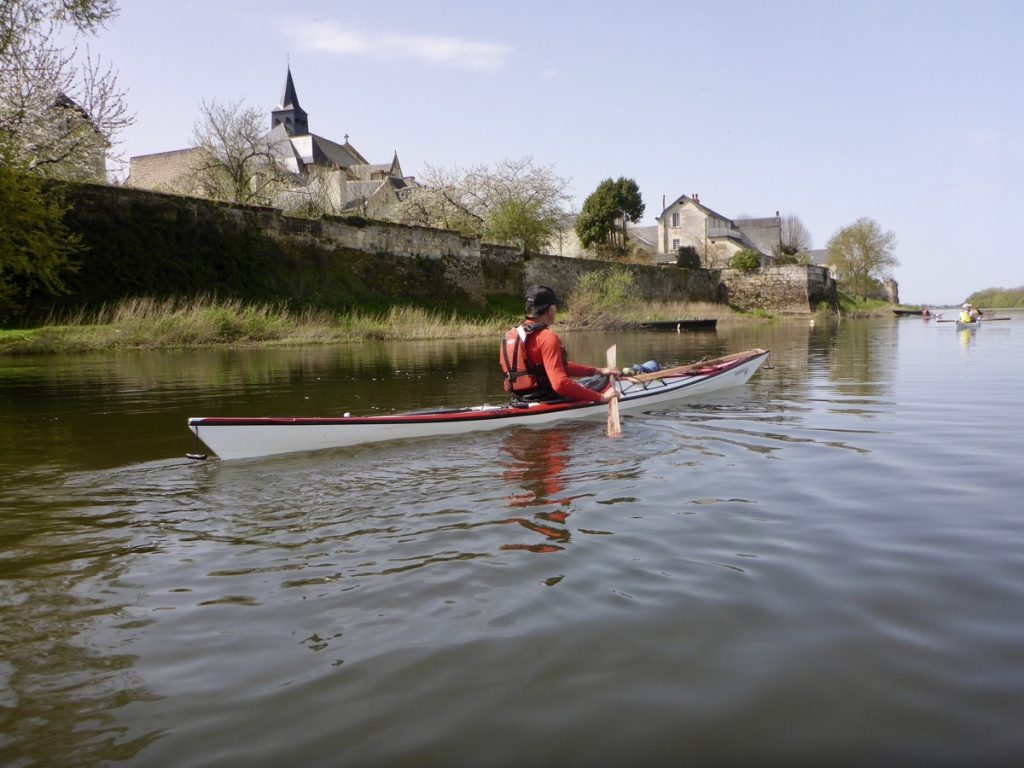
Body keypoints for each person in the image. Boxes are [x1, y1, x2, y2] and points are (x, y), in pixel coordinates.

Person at [500, 284, 619, 404]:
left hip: (519, 400)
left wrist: (598, 370)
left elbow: (558, 366)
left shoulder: (512, 335)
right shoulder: (546, 336)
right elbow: (560, 384)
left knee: (597, 377)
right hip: (547, 399)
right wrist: (601, 397)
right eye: (555, 307)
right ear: (550, 310)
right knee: (601, 382)